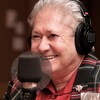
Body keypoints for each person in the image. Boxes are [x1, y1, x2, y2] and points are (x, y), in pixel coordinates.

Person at [4, 0, 100, 100]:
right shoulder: (22, 83)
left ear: (81, 39)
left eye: (52, 35)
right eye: (36, 36)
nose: (42, 47)